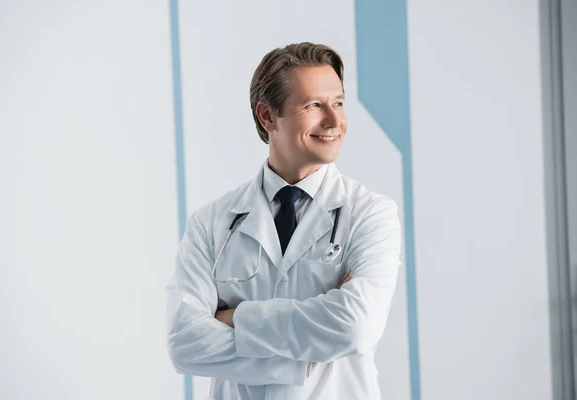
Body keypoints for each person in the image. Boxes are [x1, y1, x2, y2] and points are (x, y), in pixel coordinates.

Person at [165, 42, 402, 400]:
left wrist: (235, 317)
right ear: (267, 116)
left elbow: (356, 327)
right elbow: (185, 343)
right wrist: (295, 362)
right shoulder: (211, 222)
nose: (335, 121)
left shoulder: (370, 213)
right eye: (313, 105)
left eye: (338, 103)